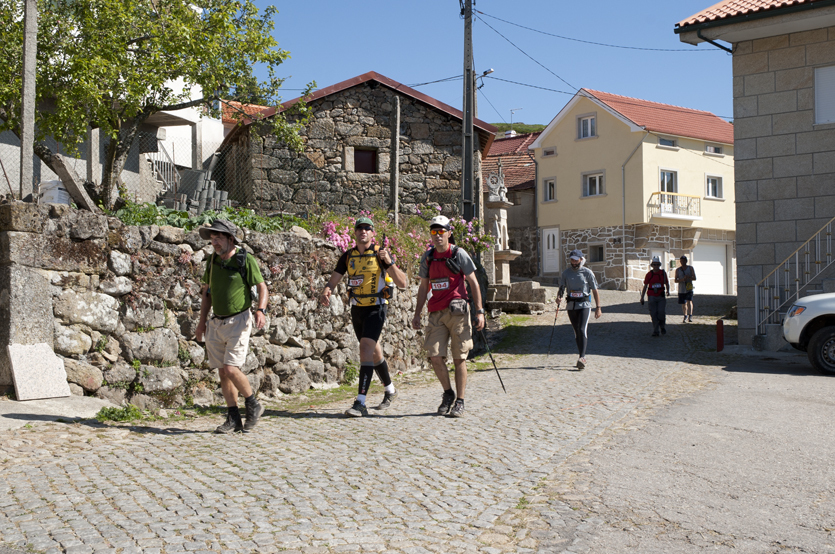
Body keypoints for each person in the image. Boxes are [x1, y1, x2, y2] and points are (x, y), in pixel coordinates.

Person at [319, 217, 408, 417]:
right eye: (359, 228)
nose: (363, 232)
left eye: (367, 229)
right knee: (373, 352)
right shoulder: (347, 256)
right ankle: (390, 390)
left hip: (377, 307)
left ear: (372, 233)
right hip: (357, 309)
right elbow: (334, 278)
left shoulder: (380, 254)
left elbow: (402, 283)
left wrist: (389, 262)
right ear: (355, 233)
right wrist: (327, 290)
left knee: (365, 348)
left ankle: (360, 402)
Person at [195, 219, 269, 434]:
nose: (214, 242)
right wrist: (201, 323)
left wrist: (260, 310)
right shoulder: (211, 263)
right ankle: (233, 418)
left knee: (230, 368)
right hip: (216, 322)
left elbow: (262, 287)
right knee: (222, 372)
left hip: (239, 320)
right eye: (212, 238)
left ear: (230, 238)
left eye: (218, 237)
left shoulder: (244, 259)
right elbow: (206, 294)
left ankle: (253, 403)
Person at [412, 215, 486, 418]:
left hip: (458, 312)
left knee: (459, 358)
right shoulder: (428, 257)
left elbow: (474, 283)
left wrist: (479, 312)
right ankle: (448, 393)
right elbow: (423, 287)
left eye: (441, 231)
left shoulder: (458, 254)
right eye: (434, 232)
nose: (437, 236)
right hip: (436, 312)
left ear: (449, 233)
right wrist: (417, 313)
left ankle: (460, 401)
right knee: (435, 356)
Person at [556, 249, 602, 369]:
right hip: (571, 306)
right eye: (572, 260)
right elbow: (561, 288)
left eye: (576, 260)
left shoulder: (587, 273)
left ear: (581, 259)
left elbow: (595, 290)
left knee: (582, 329)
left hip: (584, 305)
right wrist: (558, 297)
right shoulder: (566, 273)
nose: (574, 262)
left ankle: (582, 357)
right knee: (576, 331)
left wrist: (598, 308)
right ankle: (580, 355)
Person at [640, 256, 671, 337]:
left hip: (661, 296)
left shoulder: (663, 273)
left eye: (657, 264)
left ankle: (662, 326)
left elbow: (667, 283)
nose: (656, 266)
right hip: (651, 296)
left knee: (661, 312)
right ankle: (656, 330)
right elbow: (645, 286)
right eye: (654, 264)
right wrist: (642, 297)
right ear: (652, 265)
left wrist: (668, 290)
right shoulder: (649, 274)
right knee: (653, 314)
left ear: (659, 265)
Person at [675, 255, 697, 323]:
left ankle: (690, 315)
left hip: (689, 287)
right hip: (681, 288)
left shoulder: (690, 268)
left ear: (686, 261)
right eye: (681, 261)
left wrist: (689, 277)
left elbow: (694, 278)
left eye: (683, 261)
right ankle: (685, 315)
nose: (682, 262)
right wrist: (682, 279)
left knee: (689, 301)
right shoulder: (678, 270)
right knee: (683, 303)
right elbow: (676, 280)